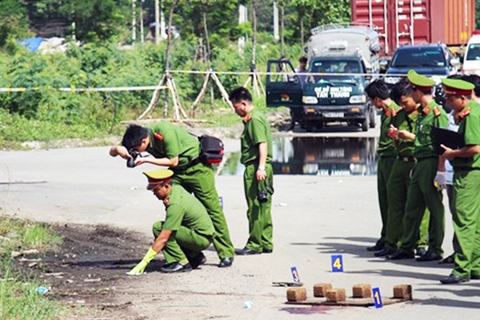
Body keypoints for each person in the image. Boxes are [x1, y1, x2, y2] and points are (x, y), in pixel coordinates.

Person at [109, 122, 235, 268]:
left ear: (144, 141)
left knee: (212, 210)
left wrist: (145, 159)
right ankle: (192, 254)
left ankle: (226, 253)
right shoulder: (135, 138)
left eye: (136, 149)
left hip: (198, 168)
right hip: (179, 173)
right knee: (175, 208)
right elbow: (112, 152)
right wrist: (118, 149)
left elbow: (173, 161)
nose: (134, 152)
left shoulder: (164, 132)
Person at [386, 70, 448, 262]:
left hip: (430, 162)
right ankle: (407, 246)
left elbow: (442, 144)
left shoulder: (437, 114)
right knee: (412, 206)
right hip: (419, 163)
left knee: (434, 208)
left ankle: (435, 247)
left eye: (413, 90)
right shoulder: (423, 113)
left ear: (418, 92)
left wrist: (440, 170)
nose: (411, 95)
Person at [127, 169, 214, 275]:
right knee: (171, 227)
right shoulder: (176, 189)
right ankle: (194, 256)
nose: (154, 194)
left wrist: (144, 262)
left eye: (156, 190)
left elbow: (163, 237)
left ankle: (181, 261)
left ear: (166, 186)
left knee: (159, 228)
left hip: (200, 238)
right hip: (202, 235)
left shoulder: (175, 204)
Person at [378, 78, 429, 257]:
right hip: (400, 161)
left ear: (414, 96)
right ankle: (393, 242)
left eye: (405, 101)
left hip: (416, 162)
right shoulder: (398, 115)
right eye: (400, 102)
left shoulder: (425, 116)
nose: (402, 105)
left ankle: (421, 242)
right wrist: (396, 137)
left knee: (418, 206)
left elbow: (428, 140)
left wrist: (410, 136)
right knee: (394, 204)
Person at [439, 78, 480, 284]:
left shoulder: (471, 115)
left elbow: (475, 148)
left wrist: (453, 153)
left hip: (469, 172)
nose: (448, 101)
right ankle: (475, 265)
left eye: (451, 97)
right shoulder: (473, 112)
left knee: (463, 221)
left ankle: (462, 268)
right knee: (476, 222)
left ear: (463, 98)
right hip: (475, 172)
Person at [229, 87, 274, 255]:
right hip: (262, 167)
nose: (235, 111)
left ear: (243, 103)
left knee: (255, 206)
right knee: (264, 205)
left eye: (235, 107)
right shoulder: (257, 117)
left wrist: (260, 168)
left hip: (256, 167)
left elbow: (262, 144)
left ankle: (255, 243)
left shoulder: (254, 120)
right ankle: (266, 241)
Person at [364, 79, 398, 253]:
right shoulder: (385, 113)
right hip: (384, 158)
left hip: (393, 159)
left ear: (377, 99)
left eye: (371, 100)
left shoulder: (395, 112)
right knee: (384, 201)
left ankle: (393, 239)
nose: (372, 103)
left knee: (393, 202)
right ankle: (385, 236)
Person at [289, 56, 308, 131]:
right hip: (297, 92)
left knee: (304, 109)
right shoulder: (295, 72)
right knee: (294, 109)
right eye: (302, 63)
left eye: (304, 63)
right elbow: (291, 79)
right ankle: (292, 124)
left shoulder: (307, 72)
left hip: (305, 92)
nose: (303, 64)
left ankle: (302, 123)